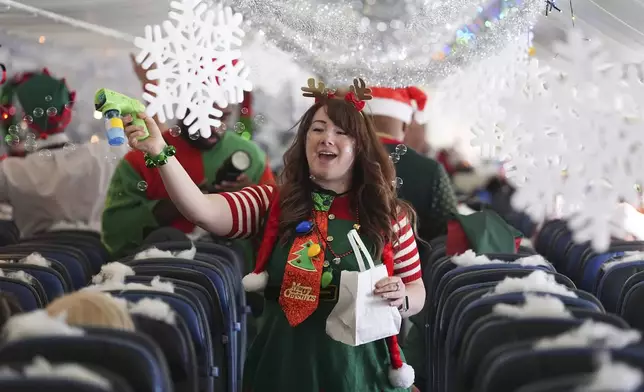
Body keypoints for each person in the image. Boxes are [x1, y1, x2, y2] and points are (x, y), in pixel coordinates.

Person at [124, 77, 425, 391]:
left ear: (360, 146)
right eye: (318, 128)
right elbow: (201, 210)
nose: (326, 138)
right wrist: (159, 151)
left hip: (362, 371)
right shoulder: (271, 203)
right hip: (284, 365)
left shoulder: (389, 214)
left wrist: (402, 296)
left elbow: (417, 289)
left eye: (341, 132)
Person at [101, 57, 275, 259]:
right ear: (184, 107)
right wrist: (178, 203)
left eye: (223, 117)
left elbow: (275, 228)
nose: (214, 128)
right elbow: (114, 233)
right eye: (205, 115)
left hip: (231, 275)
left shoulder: (253, 157)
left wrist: (247, 201)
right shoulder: (142, 157)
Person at [0, 69, 126, 238]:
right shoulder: (105, 154)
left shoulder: (10, 172)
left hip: (34, 260)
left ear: (24, 118)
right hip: (97, 259)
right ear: (66, 114)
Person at [362, 86, 458, 244]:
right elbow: (449, 232)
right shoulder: (431, 170)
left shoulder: (339, 161)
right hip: (417, 264)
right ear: (405, 126)